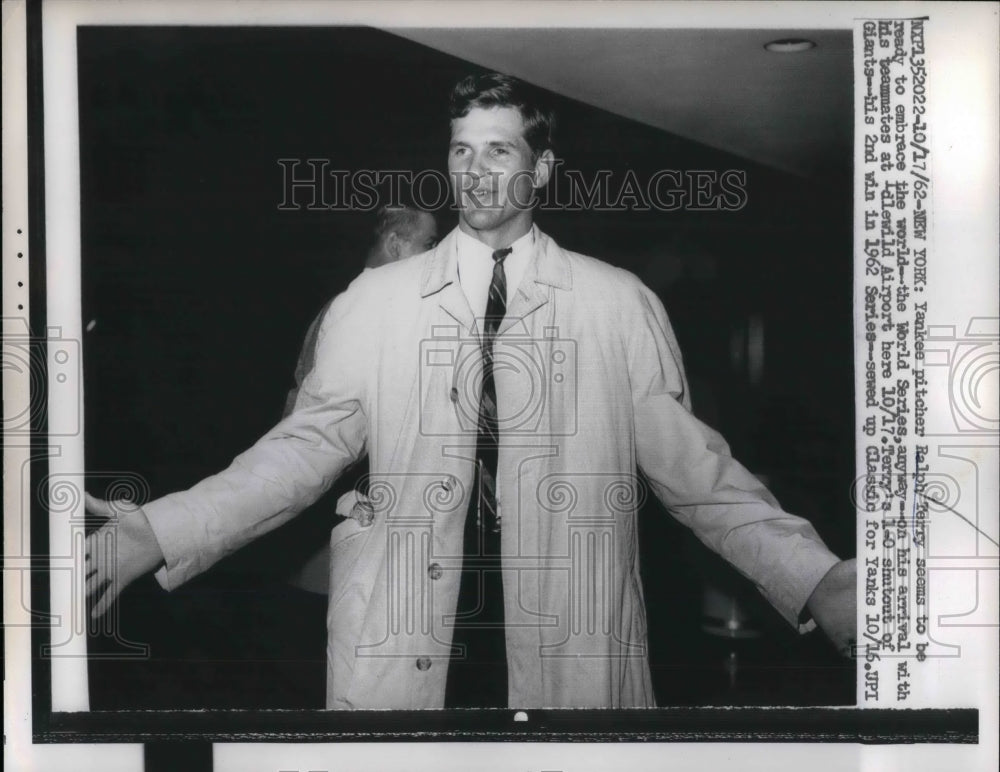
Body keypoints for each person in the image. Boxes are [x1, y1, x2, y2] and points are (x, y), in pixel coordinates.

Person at [86, 72, 856, 710]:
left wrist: (813, 577)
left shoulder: (617, 304)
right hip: (408, 647)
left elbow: (699, 475)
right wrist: (160, 530)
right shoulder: (375, 301)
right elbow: (299, 453)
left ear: (543, 167)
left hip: (567, 650)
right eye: (461, 150)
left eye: (499, 150)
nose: (475, 171)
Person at [283, 204, 438, 593]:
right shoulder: (359, 312)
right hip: (351, 537)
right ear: (397, 246)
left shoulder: (371, 310)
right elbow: (305, 429)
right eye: (429, 244)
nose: (438, 259)